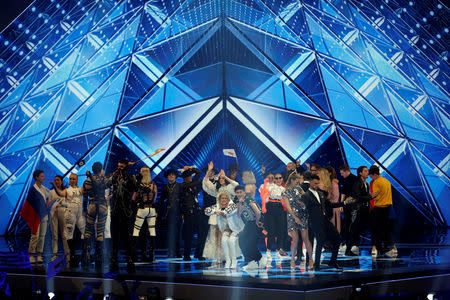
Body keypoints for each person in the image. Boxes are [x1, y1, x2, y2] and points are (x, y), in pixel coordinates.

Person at [301, 174, 351, 270]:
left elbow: (330, 205)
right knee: (320, 241)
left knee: (337, 238)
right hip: (314, 222)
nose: (316, 185)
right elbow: (303, 210)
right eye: (315, 183)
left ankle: (333, 261)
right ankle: (316, 265)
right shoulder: (305, 196)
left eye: (317, 183)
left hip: (325, 220)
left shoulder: (321, 194)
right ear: (310, 182)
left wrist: (344, 203)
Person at [202, 162, 239, 262]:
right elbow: (205, 183)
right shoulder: (216, 190)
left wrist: (225, 177)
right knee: (217, 237)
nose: (221, 180)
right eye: (220, 178)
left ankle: (229, 257)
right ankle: (218, 257)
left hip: (229, 216)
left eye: (223, 178)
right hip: (218, 215)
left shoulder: (230, 188)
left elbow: (236, 184)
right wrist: (209, 170)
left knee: (227, 238)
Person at [52, 173, 86, 268]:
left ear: (77, 180)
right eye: (70, 179)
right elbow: (61, 193)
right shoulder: (67, 190)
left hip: (79, 214)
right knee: (69, 234)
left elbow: (88, 189)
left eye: (74, 179)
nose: (72, 180)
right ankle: (73, 254)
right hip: (70, 214)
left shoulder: (80, 189)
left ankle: (84, 253)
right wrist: (55, 187)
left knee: (85, 233)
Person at [282, 173, 313, 269]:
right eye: (297, 181)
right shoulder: (285, 192)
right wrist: (295, 217)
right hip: (292, 217)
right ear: (292, 180)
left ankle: (311, 260)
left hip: (303, 215)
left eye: (299, 180)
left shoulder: (300, 189)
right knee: (295, 240)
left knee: (306, 238)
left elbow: (306, 200)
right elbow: (288, 207)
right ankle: (292, 260)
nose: (298, 182)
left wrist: (303, 204)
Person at [110, 159, 137, 272]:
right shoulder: (114, 177)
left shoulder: (130, 177)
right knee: (114, 234)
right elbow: (108, 183)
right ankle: (114, 259)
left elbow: (134, 188)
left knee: (127, 235)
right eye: (118, 166)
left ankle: (129, 258)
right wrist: (115, 174)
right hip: (116, 208)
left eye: (121, 166)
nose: (119, 168)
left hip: (125, 209)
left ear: (126, 166)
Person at [82, 162, 111, 268]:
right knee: (100, 231)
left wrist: (84, 209)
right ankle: (99, 257)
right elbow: (108, 185)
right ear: (101, 169)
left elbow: (85, 197)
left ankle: (86, 255)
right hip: (102, 205)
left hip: (92, 205)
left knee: (88, 230)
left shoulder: (87, 181)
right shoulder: (104, 179)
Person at [205, 193, 244, 269]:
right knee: (223, 240)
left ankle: (234, 260)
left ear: (228, 199)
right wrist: (215, 212)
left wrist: (219, 212)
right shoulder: (217, 206)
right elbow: (207, 211)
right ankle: (228, 260)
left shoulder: (232, 205)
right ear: (219, 199)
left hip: (236, 228)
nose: (224, 200)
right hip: (226, 229)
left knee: (231, 241)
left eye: (225, 198)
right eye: (222, 198)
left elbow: (228, 212)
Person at [22, 170, 50, 264]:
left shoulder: (44, 188)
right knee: (35, 236)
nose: (44, 178)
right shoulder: (32, 190)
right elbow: (30, 204)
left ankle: (39, 255)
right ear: (37, 177)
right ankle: (30, 255)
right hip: (35, 216)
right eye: (42, 176)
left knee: (42, 236)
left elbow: (50, 197)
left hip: (44, 215)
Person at [369, 165, 397, 256]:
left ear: (374, 174)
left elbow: (375, 195)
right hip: (388, 208)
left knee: (375, 229)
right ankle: (388, 247)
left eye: (371, 175)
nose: (370, 177)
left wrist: (367, 198)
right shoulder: (387, 181)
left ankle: (378, 248)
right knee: (385, 229)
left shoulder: (376, 182)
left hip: (379, 208)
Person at [235, 185, 265, 270]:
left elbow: (258, 212)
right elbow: (238, 214)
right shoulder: (239, 201)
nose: (239, 194)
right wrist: (240, 203)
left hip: (256, 222)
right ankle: (257, 259)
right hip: (249, 223)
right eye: (237, 192)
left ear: (244, 192)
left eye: (241, 192)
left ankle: (252, 261)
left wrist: (256, 221)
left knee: (245, 241)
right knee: (247, 242)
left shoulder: (248, 199)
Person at [132, 167, 157, 262]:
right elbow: (154, 199)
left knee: (136, 230)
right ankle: (152, 254)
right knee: (152, 231)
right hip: (151, 209)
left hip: (142, 209)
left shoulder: (139, 185)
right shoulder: (153, 185)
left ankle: (134, 254)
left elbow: (134, 199)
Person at [259, 172, 285, 261]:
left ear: (282, 179)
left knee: (280, 231)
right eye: (276, 178)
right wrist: (264, 206)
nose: (278, 180)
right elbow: (263, 194)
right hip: (270, 207)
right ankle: (268, 251)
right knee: (271, 230)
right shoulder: (270, 186)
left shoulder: (284, 189)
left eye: (280, 178)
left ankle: (278, 251)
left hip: (280, 208)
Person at [179, 166, 203, 261]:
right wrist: (201, 181)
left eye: (191, 176)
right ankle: (186, 254)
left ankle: (199, 253)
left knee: (201, 232)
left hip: (196, 210)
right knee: (189, 234)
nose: (190, 178)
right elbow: (197, 181)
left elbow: (199, 173)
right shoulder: (182, 185)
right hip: (188, 212)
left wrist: (191, 168)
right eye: (189, 177)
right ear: (185, 178)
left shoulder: (192, 185)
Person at [160, 168, 182, 258]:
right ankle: (170, 252)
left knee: (178, 233)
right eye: (169, 175)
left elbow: (182, 200)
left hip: (178, 212)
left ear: (175, 176)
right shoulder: (165, 187)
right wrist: (157, 210)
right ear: (168, 177)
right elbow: (161, 199)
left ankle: (178, 252)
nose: (171, 176)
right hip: (169, 212)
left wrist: (183, 213)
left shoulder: (179, 186)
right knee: (170, 233)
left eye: (173, 174)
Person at [49, 175, 69, 263]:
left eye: (57, 180)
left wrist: (62, 203)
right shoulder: (51, 192)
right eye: (55, 180)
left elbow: (68, 204)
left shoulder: (65, 191)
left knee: (64, 234)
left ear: (61, 181)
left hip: (63, 212)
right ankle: (54, 254)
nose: (56, 182)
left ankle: (67, 254)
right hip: (53, 213)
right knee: (54, 234)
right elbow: (49, 203)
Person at [339, 164, 359, 254]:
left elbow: (356, 194)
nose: (341, 174)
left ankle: (354, 244)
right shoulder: (344, 179)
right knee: (347, 225)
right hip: (347, 205)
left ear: (347, 171)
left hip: (353, 206)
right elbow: (343, 193)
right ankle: (348, 244)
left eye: (342, 173)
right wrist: (341, 204)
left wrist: (346, 202)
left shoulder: (355, 179)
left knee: (353, 225)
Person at [325, 166, 341, 233]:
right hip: (330, 206)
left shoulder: (333, 183)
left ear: (330, 173)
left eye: (326, 173)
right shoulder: (328, 182)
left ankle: (336, 241)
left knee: (334, 225)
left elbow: (335, 196)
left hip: (333, 207)